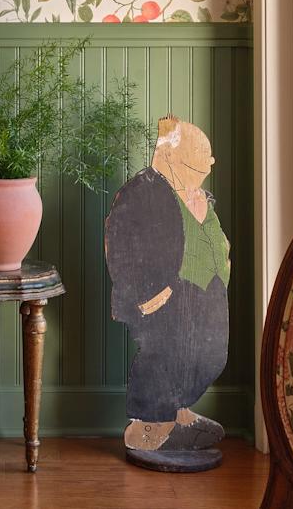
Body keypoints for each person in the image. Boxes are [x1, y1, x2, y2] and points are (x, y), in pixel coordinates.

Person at [104, 115, 231, 471]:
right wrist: (142, 293)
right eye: (197, 159)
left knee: (210, 354)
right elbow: (119, 244)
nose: (206, 167)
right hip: (160, 294)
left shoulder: (196, 194)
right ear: (171, 157)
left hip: (205, 292)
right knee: (164, 354)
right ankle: (148, 426)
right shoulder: (141, 190)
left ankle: (176, 412)